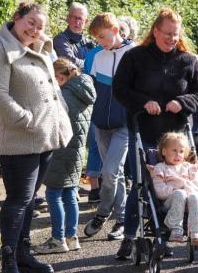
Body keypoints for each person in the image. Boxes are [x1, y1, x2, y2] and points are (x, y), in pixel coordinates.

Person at [0, 1, 72, 273]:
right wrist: (26, 120)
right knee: (19, 198)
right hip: (18, 138)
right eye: (30, 22)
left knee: (31, 199)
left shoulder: (38, 48)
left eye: (41, 26)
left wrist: (44, 43)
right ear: (16, 18)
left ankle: (24, 254)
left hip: (44, 136)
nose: (34, 30)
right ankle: (8, 260)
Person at [112, 8, 198, 259]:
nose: (171, 39)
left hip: (177, 136)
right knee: (144, 185)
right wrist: (144, 102)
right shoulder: (135, 57)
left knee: (182, 181)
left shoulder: (188, 61)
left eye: (175, 35)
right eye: (167, 34)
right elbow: (119, 88)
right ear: (155, 31)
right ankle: (130, 236)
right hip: (145, 132)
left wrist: (183, 102)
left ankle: (177, 229)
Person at [33, 58, 96, 254]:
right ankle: (72, 237)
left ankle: (58, 239)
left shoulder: (65, 94)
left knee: (53, 194)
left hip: (60, 149)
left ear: (60, 76)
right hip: (76, 151)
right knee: (69, 195)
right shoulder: (85, 88)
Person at [83, 13, 136, 241]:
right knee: (115, 175)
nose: (101, 43)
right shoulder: (98, 57)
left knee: (110, 172)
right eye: (97, 39)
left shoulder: (133, 54)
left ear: (116, 31)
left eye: (103, 37)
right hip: (100, 125)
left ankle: (103, 213)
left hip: (123, 125)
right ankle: (122, 219)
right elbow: (91, 89)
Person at [147, 132, 198, 245]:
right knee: (179, 194)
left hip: (190, 200)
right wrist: (175, 189)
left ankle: (196, 231)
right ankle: (175, 228)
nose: (178, 154)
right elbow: (159, 190)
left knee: (194, 196)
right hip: (170, 201)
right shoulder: (160, 168)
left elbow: (197, 185)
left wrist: (186, 188)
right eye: (174, 150)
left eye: (181, 151)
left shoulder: (189, 168)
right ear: (164, 151)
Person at [53, 2, 95, 69]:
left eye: (80, 19)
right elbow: (70, 62)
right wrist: (90, 64)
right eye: (74, 18)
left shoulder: (89, 43)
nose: (77, 22)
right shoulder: (60, 40)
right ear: (68, 18)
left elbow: (96, 62)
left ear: (86, 22)